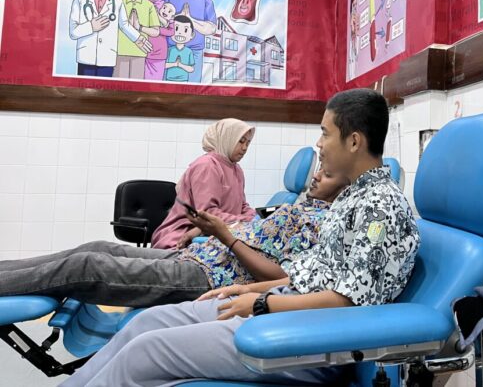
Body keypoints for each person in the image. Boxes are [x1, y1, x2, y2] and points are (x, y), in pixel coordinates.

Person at [60, 89, 420, 386]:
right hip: (283, 305)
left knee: (146, 352)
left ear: (354, 141)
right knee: (145, 323)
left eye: (325, 133)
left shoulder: (379, 207)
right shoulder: (351, 198)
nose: (319, 144)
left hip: (311, 338)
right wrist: (247, 289)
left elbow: (349, 302)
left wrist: (262, 304)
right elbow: (310, 277)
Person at [0, 169, 347, 308]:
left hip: (208, 277)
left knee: (86, 266)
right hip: (199, 257)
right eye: (319, 169)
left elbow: (281, 277)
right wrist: (212, 232)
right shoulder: (300, 206)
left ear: (345, 187)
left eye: (328, 174)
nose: (316, 176)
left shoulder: (324, 224)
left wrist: (226, 237)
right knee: (96, 247)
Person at [151, 118, 256, 249]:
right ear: (226, 138)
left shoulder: (236, 169)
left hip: (215, 236)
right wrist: (245, 221)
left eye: (248, 143)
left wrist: (257, 217)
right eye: (240, 141)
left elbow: (242, 206)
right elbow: (207, 214)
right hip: (181, 240)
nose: (245, 148)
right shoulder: (207, 165)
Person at [163, 0, 217, 82]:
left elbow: (212, 29)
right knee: (165, 85)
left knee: (192, 87)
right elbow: (159, 20)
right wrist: (178, 18)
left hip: (195, 51)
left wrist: (190, 20)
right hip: (169, 48)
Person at [114, 0, 161, 79]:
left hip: (140, 52)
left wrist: (140, 28)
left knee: (136, 83)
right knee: (118, 84)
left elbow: (156, 31)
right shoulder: (118, 2)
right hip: (119, 51)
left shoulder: (149, 5)